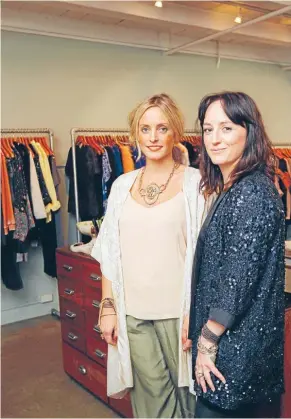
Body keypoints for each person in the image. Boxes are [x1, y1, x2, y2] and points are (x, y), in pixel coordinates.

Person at [91, 93, 207, 418]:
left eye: (162, 128)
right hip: (134, 316)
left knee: (190, 399)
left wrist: (197, 314)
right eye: (145, 129)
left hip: (180, 314)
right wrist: (108, 307)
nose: (153, 137)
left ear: (175, 132)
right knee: (150, 401)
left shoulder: (196, 185)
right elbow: (110, 252)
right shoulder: (121, 186)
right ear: (135, 134)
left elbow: (208, 259)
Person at [189, 91, 285, 418]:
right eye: (208, 129)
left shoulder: (251, 193)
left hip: (236, 352)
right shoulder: (235, 188)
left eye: (227, 128)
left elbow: (236, 280)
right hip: (238, 348)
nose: (214, 139)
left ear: (249, 132)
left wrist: (206, 340)